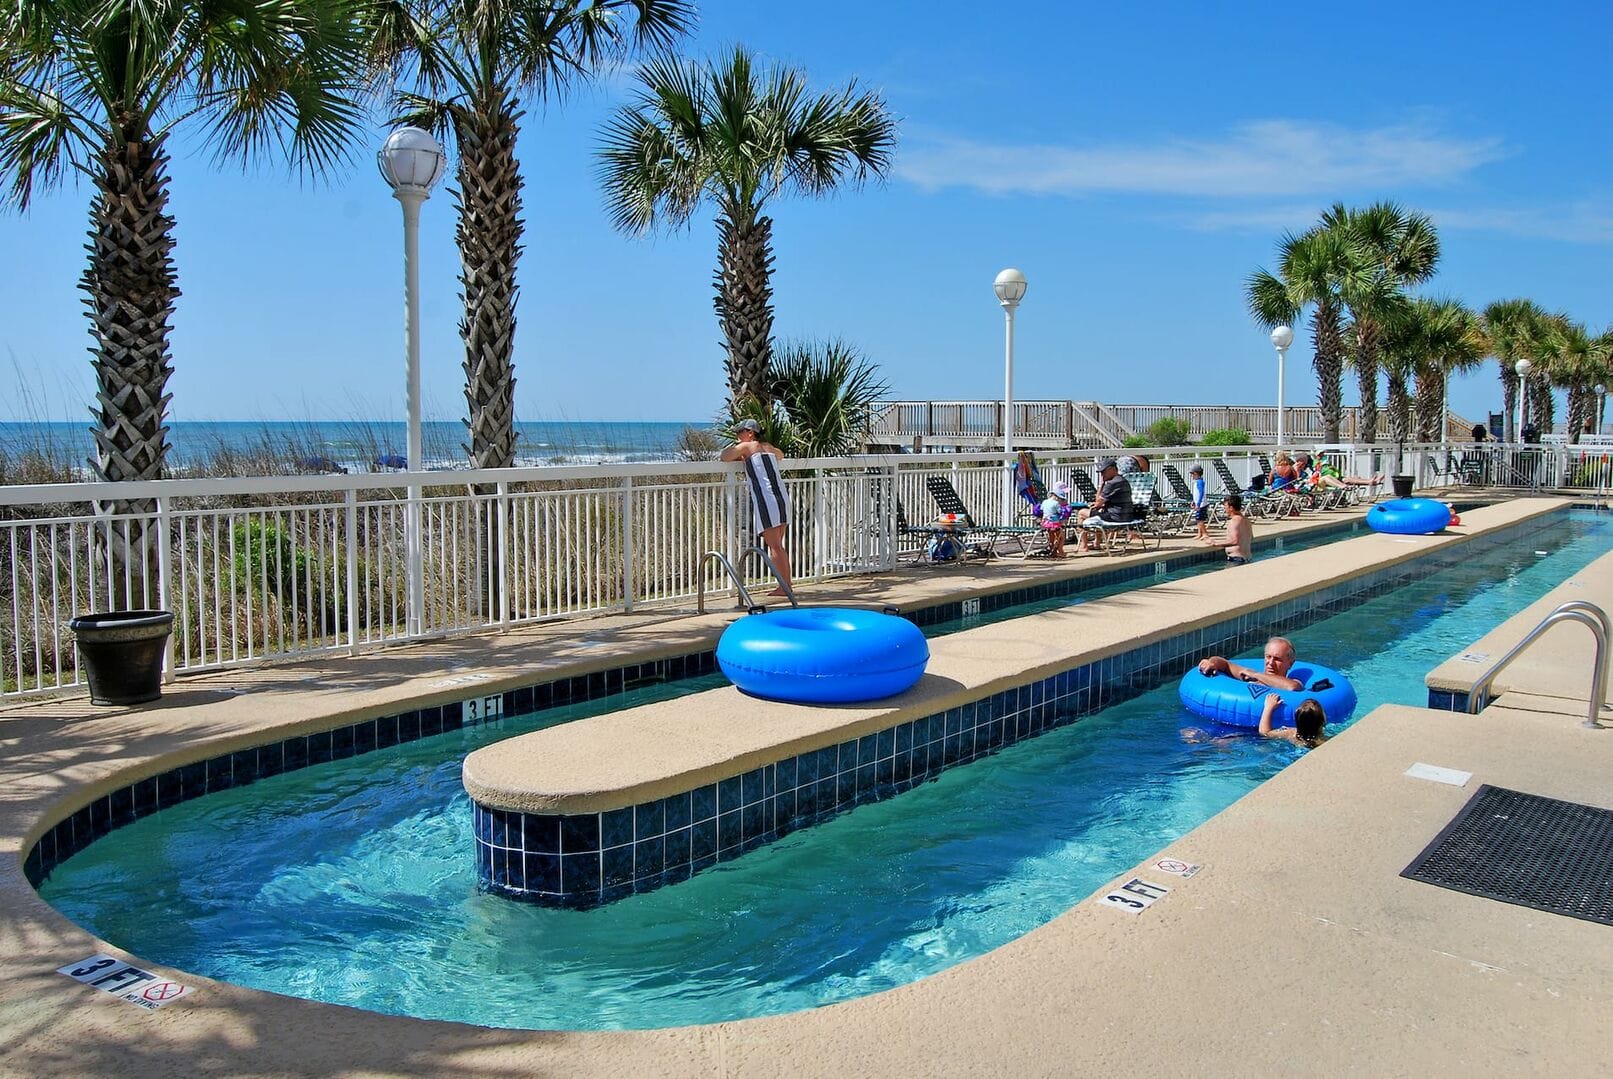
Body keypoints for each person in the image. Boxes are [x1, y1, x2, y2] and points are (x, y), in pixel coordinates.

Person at [720, 418, 793, 595]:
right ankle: (786, 586)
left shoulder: (747, 447)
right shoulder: (768, 447)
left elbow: (724, 456)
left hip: (766, 498)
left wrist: (740, 449)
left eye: (740, 432)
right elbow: (780, 454)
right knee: (779, 545)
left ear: (750, 433)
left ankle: (785, 587)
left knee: (775, 546)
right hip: (781, 497)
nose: (737, 436)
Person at [1198, 635, 1302, 690]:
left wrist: (1256, 674)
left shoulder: (1293, 682)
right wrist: (1211, 662)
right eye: (1268, 657)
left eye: (1277, 659)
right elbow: (1225, 664)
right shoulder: (1250, 676)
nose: (1270, 663)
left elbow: (1292, 687)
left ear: (1290, 663)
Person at [1075, 457, 1134, 551]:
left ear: (1112, 469)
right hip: (1126, 516)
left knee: (1082, 513)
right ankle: (1096, 543)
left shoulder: (1112, 483)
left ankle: (1084, 545)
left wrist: (1101, 484)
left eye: (1103, 472)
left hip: (1115, 518)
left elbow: (1098, 501)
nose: (1102, 475)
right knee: (1100, 512)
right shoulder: (1123, 481)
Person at [1259, 693, 1328, 748]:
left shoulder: (1290, 733)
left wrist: (1268, 707)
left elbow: (1265, 732)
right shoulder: (1324, 741)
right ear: (1323, 721)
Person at [1202, 492, 1252, 565]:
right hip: (1247, 558)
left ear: (1231, 508)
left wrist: (1215, 543)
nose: (1224, 508)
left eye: (1225, 506)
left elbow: (1234, 541)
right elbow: (1250, 538)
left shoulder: (1233, 521)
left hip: (1236, 559)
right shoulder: (1247, 520)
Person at [1038, 481, 1073, 558]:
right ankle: (1060, 550)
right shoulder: (1056, 503)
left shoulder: (1044, 501)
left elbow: (1041, 510)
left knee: (1051, 536)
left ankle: (1052, 549)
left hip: (1045, 523)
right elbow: (1060, 512)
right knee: (1061, 536)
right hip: (1054, 523)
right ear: (1057, 497)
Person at [1189, 463, 1209, 541]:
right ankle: (1200, 534)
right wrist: (1193, 501)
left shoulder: (1199, 482)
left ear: (1196, 473)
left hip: (1201, 504)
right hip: (1199, 503)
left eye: (1192, 474)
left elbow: (1201, 493)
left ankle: (1205, 533)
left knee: (1200, 519)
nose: (1191, 476)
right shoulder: (1197, 482)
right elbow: (1196, 494)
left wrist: (1198, 504)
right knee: (1198, 519)